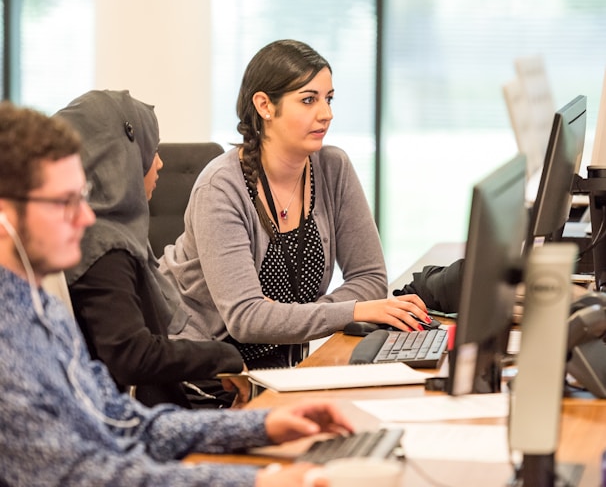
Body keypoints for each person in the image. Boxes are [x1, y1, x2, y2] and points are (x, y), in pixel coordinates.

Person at [0, 100, 354, 486]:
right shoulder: (8, 342)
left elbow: (121, 420)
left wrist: (261, 426)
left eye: (81, 196)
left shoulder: (40, 309)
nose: (85, 217)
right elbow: (80, 475)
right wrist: (255, 482)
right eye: (64, 202)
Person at [160, 39, 431, 371]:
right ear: (264, 106)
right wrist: (352, 310)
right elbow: (246, 318)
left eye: (328, 99)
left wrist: (288, 316)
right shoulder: (221, 187)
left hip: (284, 365)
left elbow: (370, 278)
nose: (326, 114)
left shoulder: (333, 168)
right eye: (308, 100)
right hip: (210, 372)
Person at [55, 89, 249, 409]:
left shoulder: (101, 234)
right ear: (121, 157)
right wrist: (222, 356)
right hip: (134, 423)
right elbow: (131, 356)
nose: (159, 163)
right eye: (151, 150)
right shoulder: (104, 247)